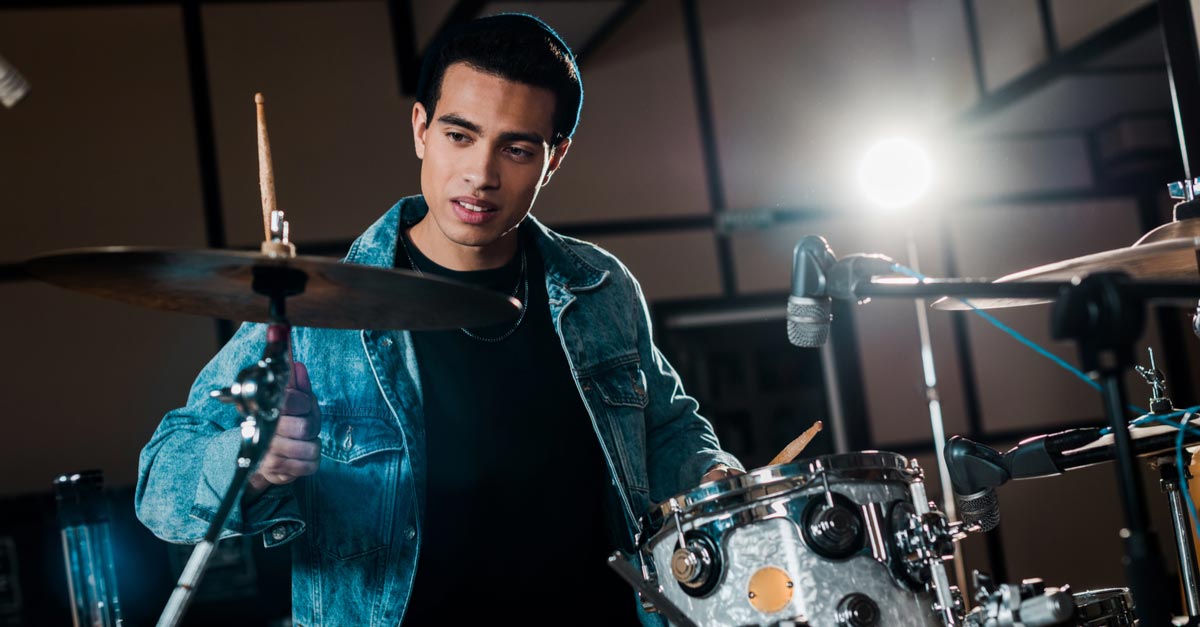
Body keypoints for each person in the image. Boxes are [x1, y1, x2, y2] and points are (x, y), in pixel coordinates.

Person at [135, 13, 743, 626]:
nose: (481, 175)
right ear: (421, 128)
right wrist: (252, 459)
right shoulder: (319, 314)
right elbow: (159, 487)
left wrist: (715, 476)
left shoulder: (598, 287)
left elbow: (665, 429)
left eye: (517, 148)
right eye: (460, 135)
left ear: (554, 158)